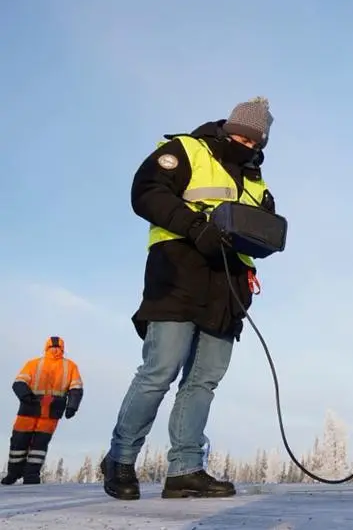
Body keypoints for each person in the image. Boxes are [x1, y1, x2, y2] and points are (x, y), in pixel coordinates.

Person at [100, 97, 278, 500]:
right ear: (226, 127)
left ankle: (185, 468)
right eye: (239, 136)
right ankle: (121, 458)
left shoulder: (256, 180)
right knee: (159, 370)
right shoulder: (185, 150)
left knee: (203, 380)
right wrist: (195, 225)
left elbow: (263, 229)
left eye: (254, 142)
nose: (245, 145)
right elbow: (146, 192)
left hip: (228, 288)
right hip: (178, 273)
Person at [1, 336, 83, 485]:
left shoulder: (33, 364)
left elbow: (19, 383)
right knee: (39, 445)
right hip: (51, 411)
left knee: (19, 442)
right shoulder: (71, 366)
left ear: (46, 347)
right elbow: (76, 389)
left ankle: (14, 474)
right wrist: (72, 407)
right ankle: (31, 476)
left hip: (30, 407)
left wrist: (25, 396)